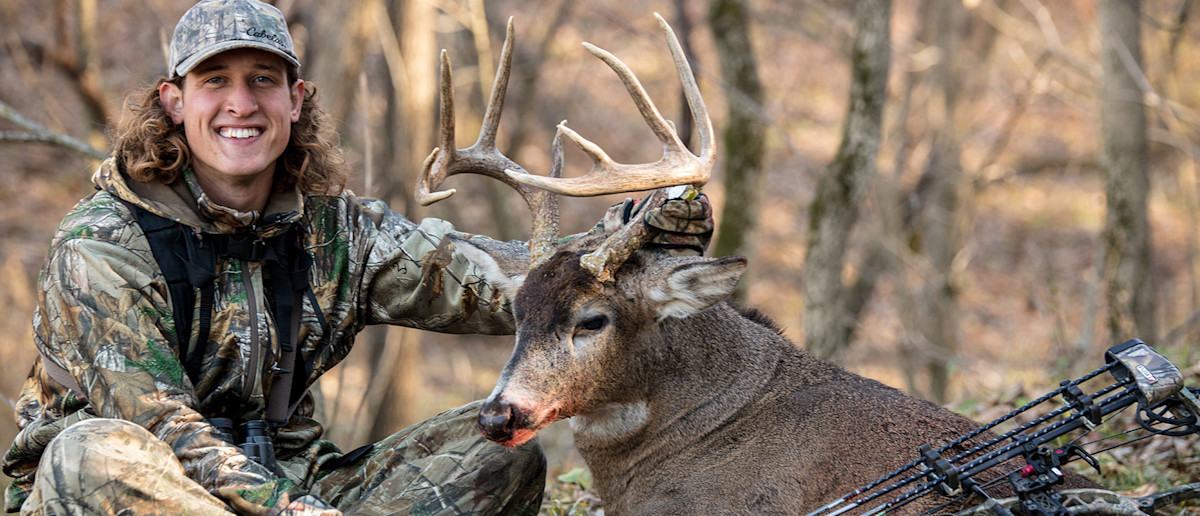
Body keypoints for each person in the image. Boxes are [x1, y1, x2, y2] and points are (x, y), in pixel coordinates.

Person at [0, 0, 714, 514]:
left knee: (499, 454)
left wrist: (625, 240)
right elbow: (160, 427)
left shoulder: (335, 233)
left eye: (263, 81)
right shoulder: (102, 244)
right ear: (174, 101)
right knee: (92, 454)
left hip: (293, 479)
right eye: (215, 81)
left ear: (295, 98)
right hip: (142, 492)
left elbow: (494, 282)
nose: (240, 104)